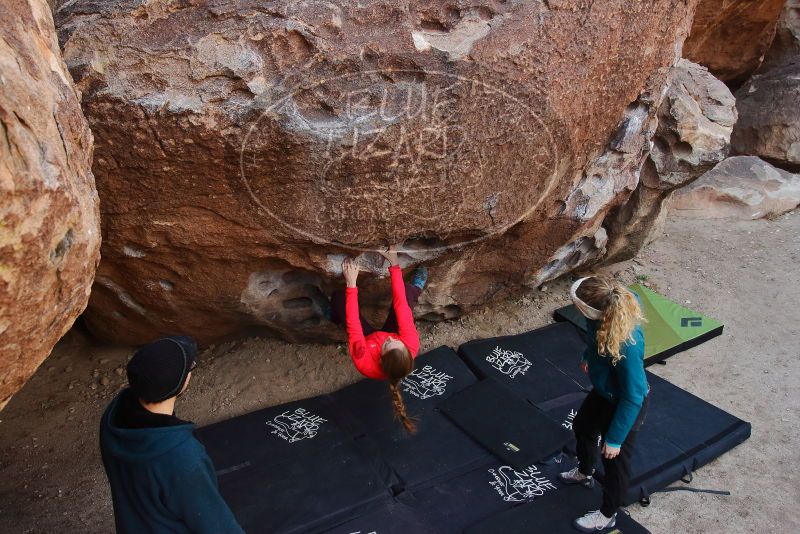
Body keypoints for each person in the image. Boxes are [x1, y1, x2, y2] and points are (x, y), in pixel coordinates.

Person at [99, 336, 244, 534]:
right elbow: (216, 525)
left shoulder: (113, 417)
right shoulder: (181, 458)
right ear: (181, 383)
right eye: (190, 367)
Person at [557, 276, 649, 533]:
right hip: (606, 390)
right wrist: (589, 355)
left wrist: (616, 438)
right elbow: (594, 340)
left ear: (589, 309)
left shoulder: (626, 345)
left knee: (615, 462)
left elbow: (634, 395)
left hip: (625, 402)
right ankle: (585, 472)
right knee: (583, 427)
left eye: (576, 303)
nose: (573, 305)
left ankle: (608, 514)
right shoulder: (601, 313)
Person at [328, 245, 428, 433]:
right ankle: (416, 288)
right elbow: (400, 307)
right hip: (378, 342)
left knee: (340, 300)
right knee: (406, 297)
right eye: (396, 340)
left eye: (389, 343)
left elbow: (354, 326)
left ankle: (331, 315)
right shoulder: (409, 344)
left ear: (381, 358)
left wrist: (351, 284)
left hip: (367, 340)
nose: (390, 338)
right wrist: (394, 264)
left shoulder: (364, 360)